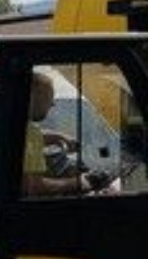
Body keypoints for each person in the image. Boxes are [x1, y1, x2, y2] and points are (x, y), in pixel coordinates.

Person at [23, 69, 109, 197]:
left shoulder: (13, 124)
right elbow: (33, 187)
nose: (52, 104)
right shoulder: (32, 133)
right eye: (49, 97)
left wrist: (59, 137)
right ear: (35, 98)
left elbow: (30, 137)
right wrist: (79, 182)